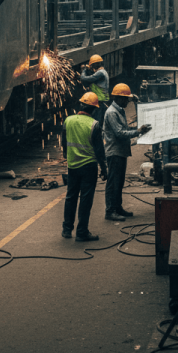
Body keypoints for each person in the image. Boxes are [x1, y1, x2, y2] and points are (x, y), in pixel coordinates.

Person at [61, 92, 108, 242]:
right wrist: (104, 169)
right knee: (86, 199)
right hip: (89, 167)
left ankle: (67, 229)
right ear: (94, 109)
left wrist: (67, 156)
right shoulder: (94, 124)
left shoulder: (68, 120)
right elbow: (99, 151)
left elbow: (63, 143)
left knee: (71, 197)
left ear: (80, 105)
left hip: (72, 165)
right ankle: (81, 232)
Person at [103, 84, 151, 222]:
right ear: (117, 98)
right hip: (114, 152)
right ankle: (110, 211)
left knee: (119, 182)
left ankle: (117, 208)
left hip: (121, 152)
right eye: (125, 99)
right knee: (113, 183)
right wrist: (138, 131)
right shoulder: (112, 112)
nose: (127, 102)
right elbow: (119, 133)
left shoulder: (119, 110)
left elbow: (124, 128)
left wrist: (137, 129)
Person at [80, 54, 109, 122]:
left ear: (93, 65)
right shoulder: (102, 72)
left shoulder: (100, 73)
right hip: (101, 99)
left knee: (97, 120)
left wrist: (84, 70)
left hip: (100, 100)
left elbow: (84, 78)